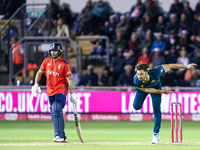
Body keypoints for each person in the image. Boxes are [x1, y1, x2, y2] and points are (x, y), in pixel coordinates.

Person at [133, 61, 197, 144]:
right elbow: (147, 90)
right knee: (136, 107)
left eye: (141, 74)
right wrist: (161, 92)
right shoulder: (136, 80)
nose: (139, 76)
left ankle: (155, 135)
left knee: (157, 110)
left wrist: (186, 67)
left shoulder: (155, 72)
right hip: (143, 89)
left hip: (156, 86)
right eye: (138, 74)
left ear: (147, 72)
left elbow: (170, 66)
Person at [31, 42, 78, 142]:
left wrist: (73, 93)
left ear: (60, 52)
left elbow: (69, 79)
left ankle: (58, 135)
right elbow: (39, 72)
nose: (53, 53)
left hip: (61, 90)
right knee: (54, 112)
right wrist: (35, 84)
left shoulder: (65, 64)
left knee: (56, 108)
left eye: (55, 51)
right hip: (50, 91)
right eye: (52, 51)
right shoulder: (46, 61)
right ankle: (63, 135)